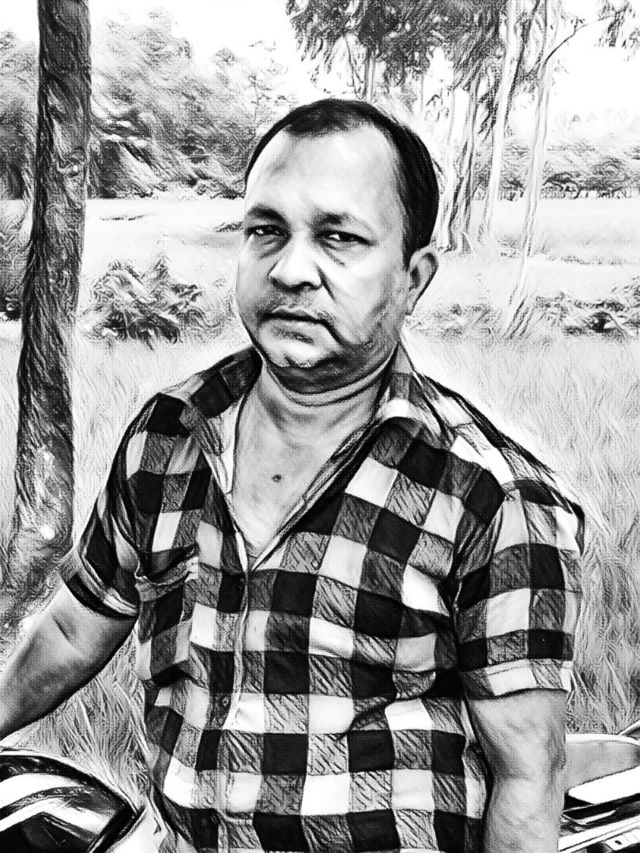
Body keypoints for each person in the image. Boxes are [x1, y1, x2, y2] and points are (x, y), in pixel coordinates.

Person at [0, 99, 583, 853]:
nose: (291, 269)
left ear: (414, 278)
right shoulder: (167, 437)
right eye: (266, 230)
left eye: (338, 237)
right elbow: (75, 626)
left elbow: (529, 773)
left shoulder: (492, 498)